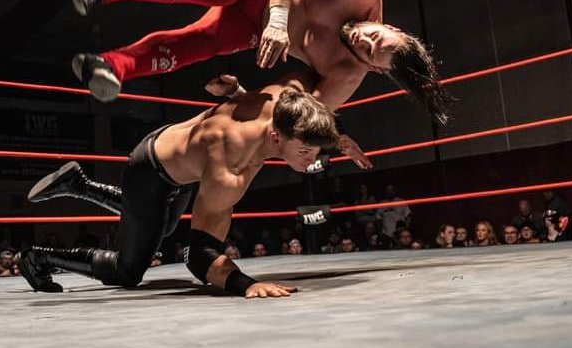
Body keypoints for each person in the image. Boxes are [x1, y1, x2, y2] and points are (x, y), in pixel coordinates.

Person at [19, 78, 339, 298]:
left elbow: (306, 93)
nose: (312, 159)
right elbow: (197, 255)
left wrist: (338, 139)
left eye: (316, 151)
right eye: (305, 151)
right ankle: (39, 257)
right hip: (149, 172)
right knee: (128, 271)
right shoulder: (230, 171)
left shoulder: (281, 100)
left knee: (163, 224)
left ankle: (79, 185)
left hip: (179, 152)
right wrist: (245, 284)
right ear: (276, 138)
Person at [68, 0, 451, 127]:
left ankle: (110, 66)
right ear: (393, 28)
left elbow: (297, 118)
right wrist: (279, 19)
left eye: (368, 51)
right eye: (376, 35)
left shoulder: (345, 74)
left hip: (251, 29)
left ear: (373, 68)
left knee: (201, 42)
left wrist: (239, 96)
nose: (364, 37)